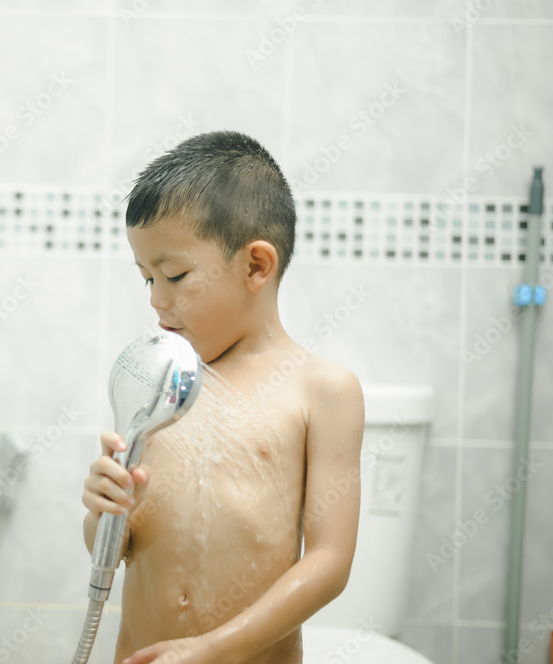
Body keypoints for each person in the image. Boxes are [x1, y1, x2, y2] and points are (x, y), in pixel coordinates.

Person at [81, 131, 365, 664]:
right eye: (147, 279)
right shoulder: (160, 380)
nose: (156, 300)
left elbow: (330, 561)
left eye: (174, 275)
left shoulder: (321, 391)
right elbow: (116, 549)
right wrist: (104, 511)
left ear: (255, 266)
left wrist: (213, 649)